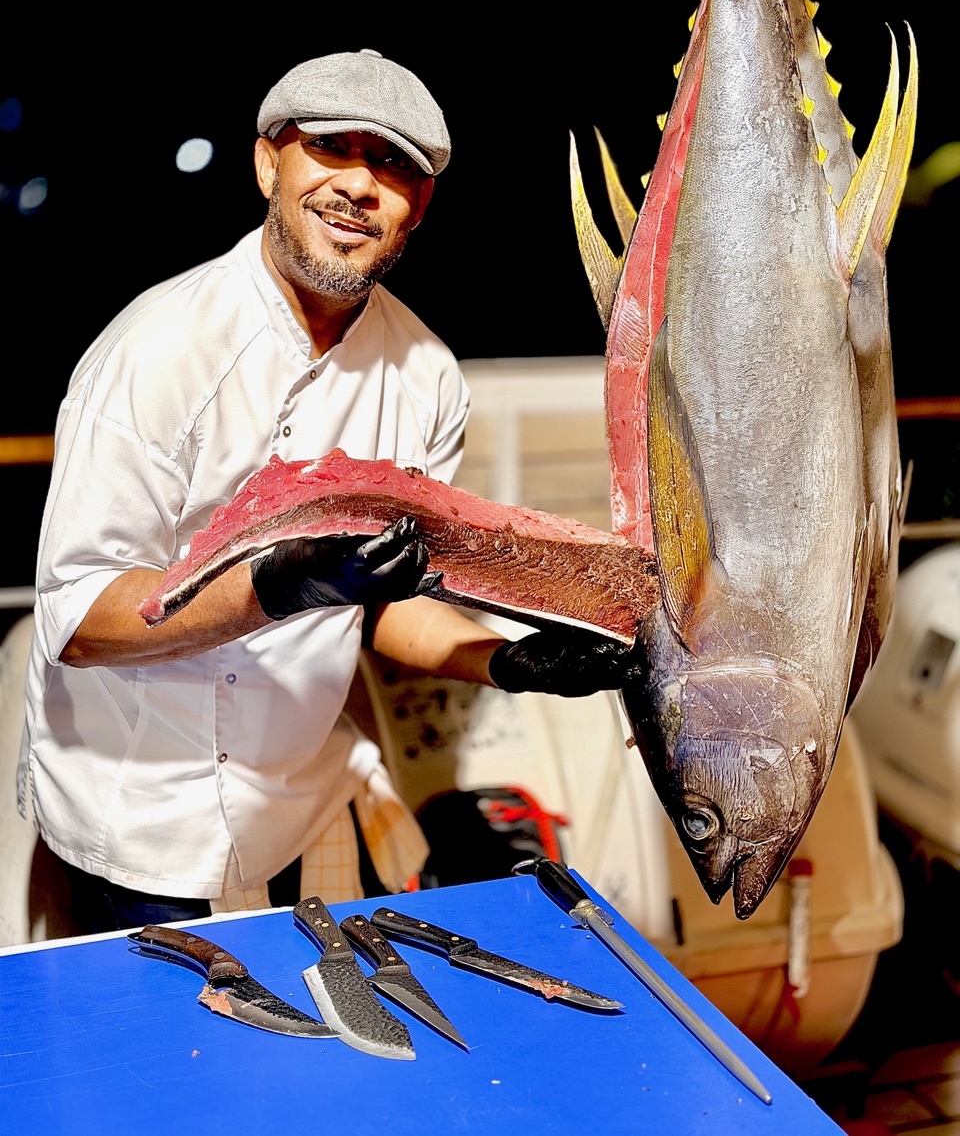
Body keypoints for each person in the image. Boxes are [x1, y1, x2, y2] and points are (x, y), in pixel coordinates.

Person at [18, 48, 640, 934]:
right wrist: (280, 586)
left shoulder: (426, 375)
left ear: (418, 207)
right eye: (331, 150)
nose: (358, 184)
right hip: (136, 810)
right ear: (270, 162)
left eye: (391, 165)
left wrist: (499, 661)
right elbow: (76, 621)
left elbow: (385, 601)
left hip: (302, 796)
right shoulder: (155, 353)